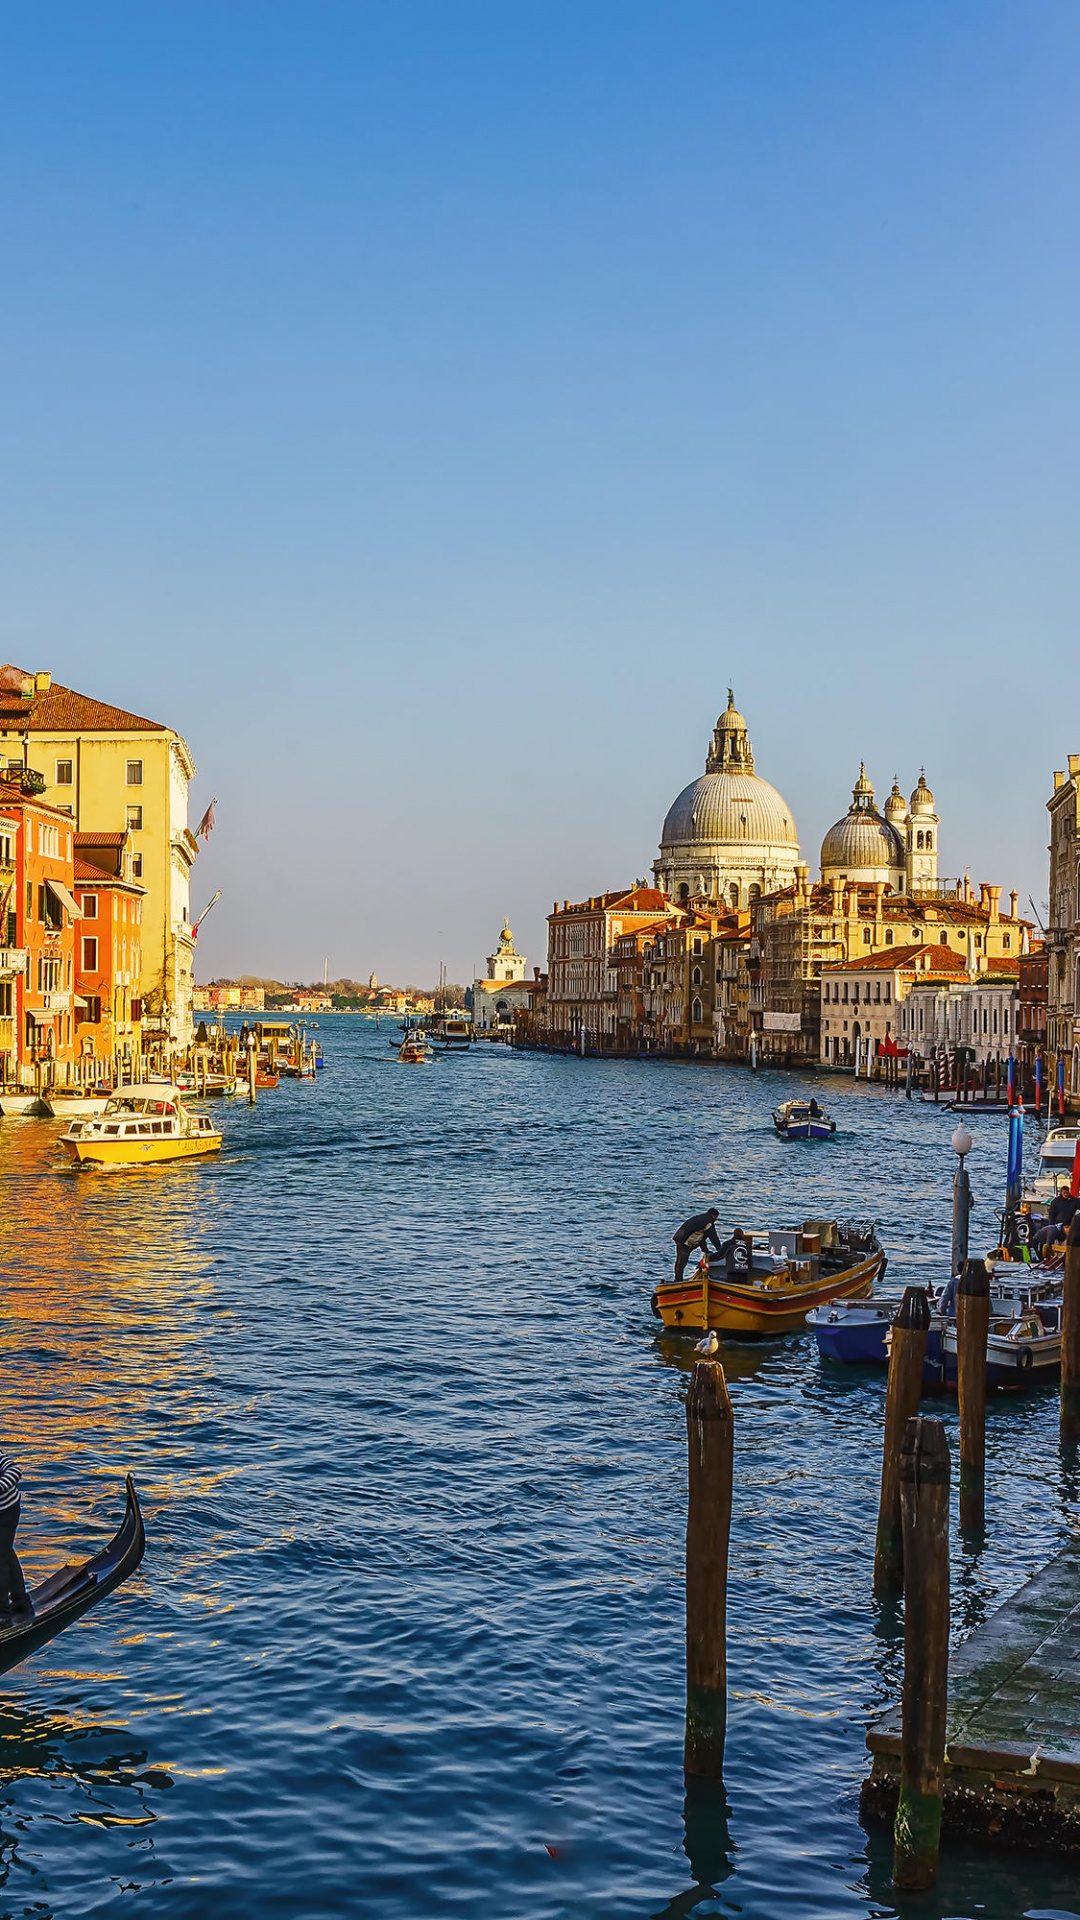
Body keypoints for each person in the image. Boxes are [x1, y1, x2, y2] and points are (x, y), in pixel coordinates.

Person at [0, 1447, 31, 1624]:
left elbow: (15, 1470)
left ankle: (2, 1613)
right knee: (6, 1553)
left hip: (6, 1511)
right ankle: (21, 1601)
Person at [673, 1208, 723, 1282]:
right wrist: (721, 1251)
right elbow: (714, 1238)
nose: (716, 1220)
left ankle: (677, 1279)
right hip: (685, 1242)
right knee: (682, 1261)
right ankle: (678, 1281)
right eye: (716, 1217)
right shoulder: (709, 1223)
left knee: (679, 1261)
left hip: (679, 1237)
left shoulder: (701, 1218)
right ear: (714, 1216)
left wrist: (705, 1250)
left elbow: (701, 1239)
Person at [1034, 1186, 1080, 1257]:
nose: (1066, 1194)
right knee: (1058, 1243)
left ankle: (1065, 1256)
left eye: (1067, 1193)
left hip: (1070, 1225)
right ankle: (1057, 1256)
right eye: (1064, 1193)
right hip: (1058, 1225)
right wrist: (1051, 1224)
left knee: (1068, 1243)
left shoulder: (1074, 1201)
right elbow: (1052, 1214)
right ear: (1061, 1193)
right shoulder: (1056, 1201)